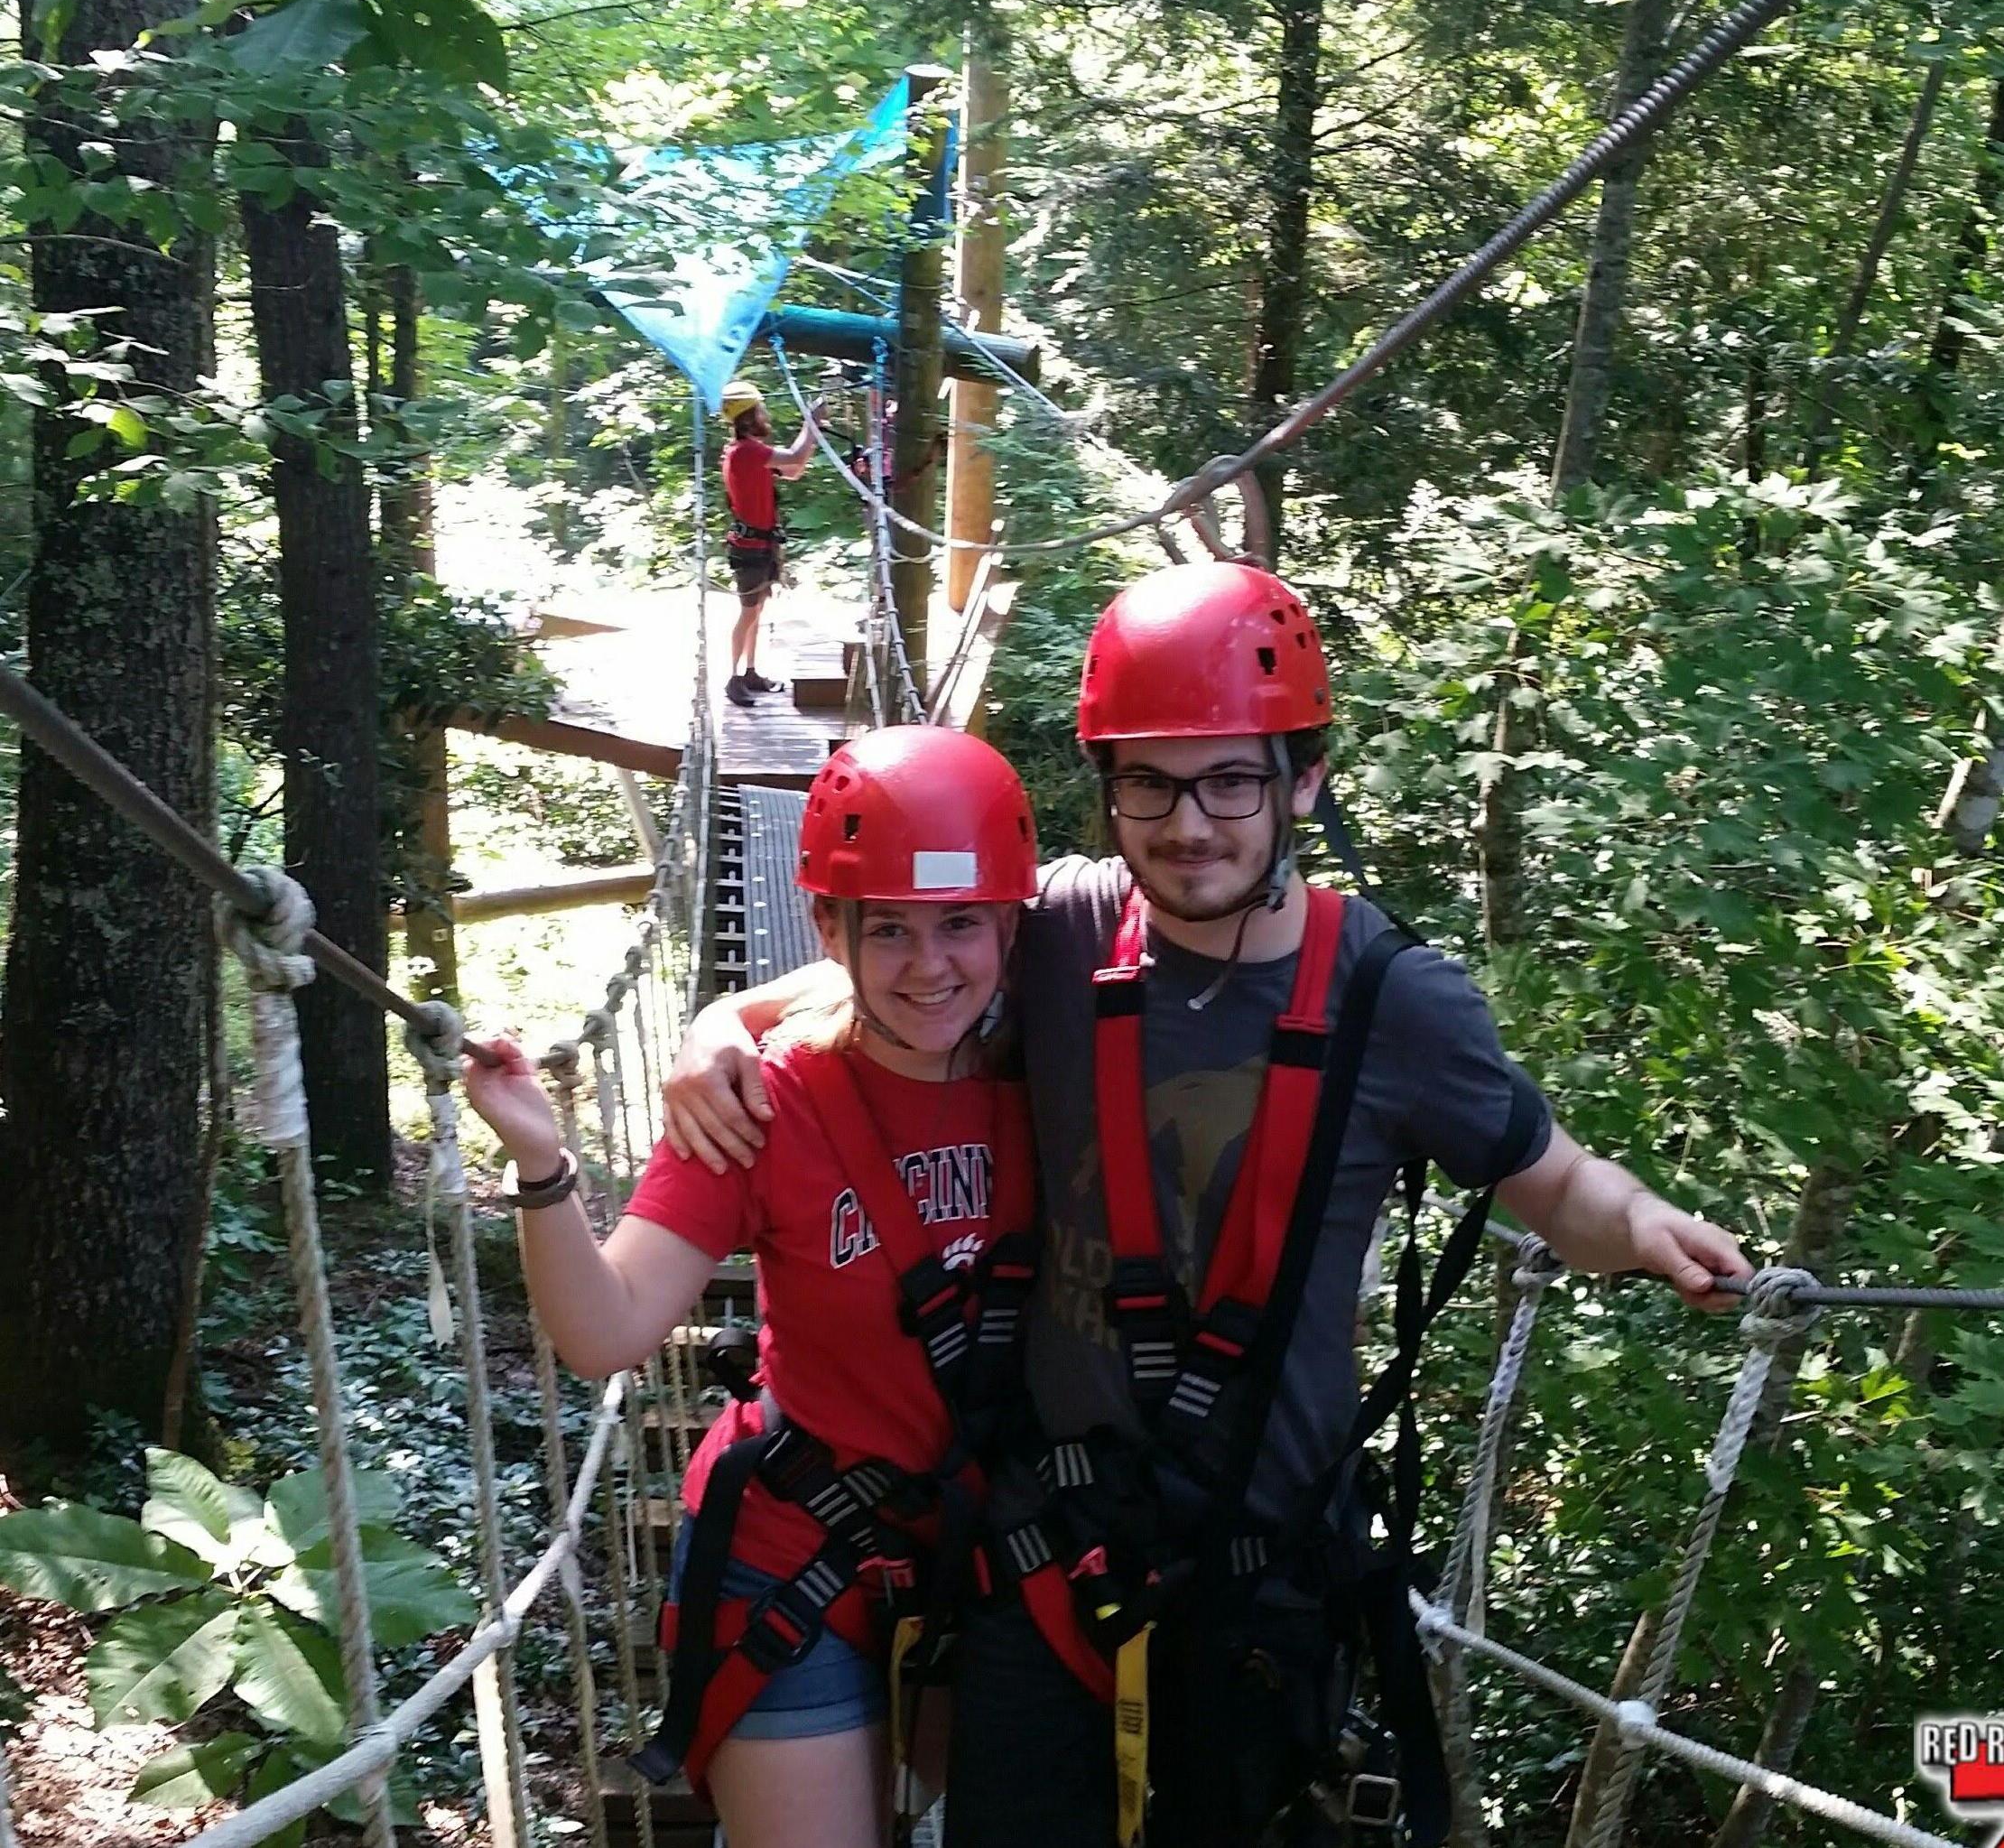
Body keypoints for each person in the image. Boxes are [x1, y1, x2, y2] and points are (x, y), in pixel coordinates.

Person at [657, 562, 1755, 1848]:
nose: (1189, 825)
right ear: (1109, 788)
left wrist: (1643, 1230)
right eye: (1149, 783)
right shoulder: (1064, 928)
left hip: (1260, 1576)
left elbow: (1555, 1179)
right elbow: (895, 959)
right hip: (1040, 1564)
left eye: (1231, 780)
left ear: (1304, 779)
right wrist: (717, 1019)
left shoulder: (1392, 1000)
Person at [464, 722, 1042, 1848]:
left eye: (962, 923)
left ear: (1011, 925)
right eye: (890, 931)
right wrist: (542, 1165)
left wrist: (731, 1002)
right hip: (799, 1556)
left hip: (993, 1555)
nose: (931, 966)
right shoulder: (755, 1101)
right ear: (831, 929)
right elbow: (607, 1330)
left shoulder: (1057, 1061)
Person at [719, 378, 821, 708]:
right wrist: (811, 423)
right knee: (748, 613)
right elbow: (793, 455)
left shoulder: (749, 454)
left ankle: (749, 671)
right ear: (748, 417)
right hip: (750, 548)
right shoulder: (747, 452)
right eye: (760, 409)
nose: (765, 414)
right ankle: (733, 678)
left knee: (756, 611)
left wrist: (812, 436)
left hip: (759, 546)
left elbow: (793, 470)